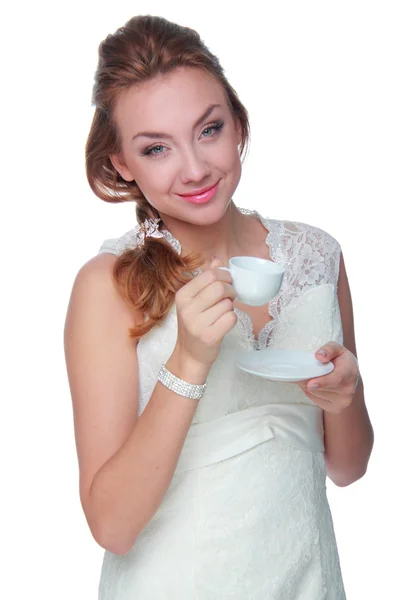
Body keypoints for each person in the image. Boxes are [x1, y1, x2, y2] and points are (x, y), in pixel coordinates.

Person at [64, 14, 374, 599]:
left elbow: (347, 466)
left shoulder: (315, 257)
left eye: (208, 130)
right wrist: (189, 360)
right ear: (123, 166)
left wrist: (344, 397)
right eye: (157, 148)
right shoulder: (108, 285)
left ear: (238, 123)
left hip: (309, 581)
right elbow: (112, 526)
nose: (196, 168)